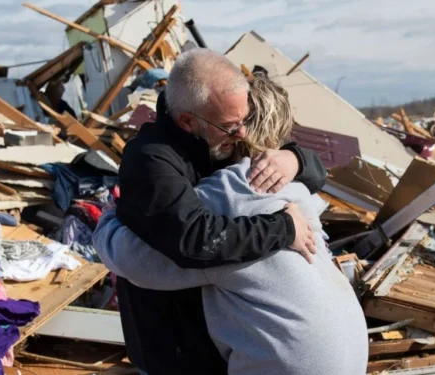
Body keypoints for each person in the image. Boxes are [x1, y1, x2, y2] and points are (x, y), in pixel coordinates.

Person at [94, 73, 368, 374]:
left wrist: (110, 217)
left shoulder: (230, 196)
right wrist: (297, 159)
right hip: (350, 358)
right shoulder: (296, 189)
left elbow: (138, 262)